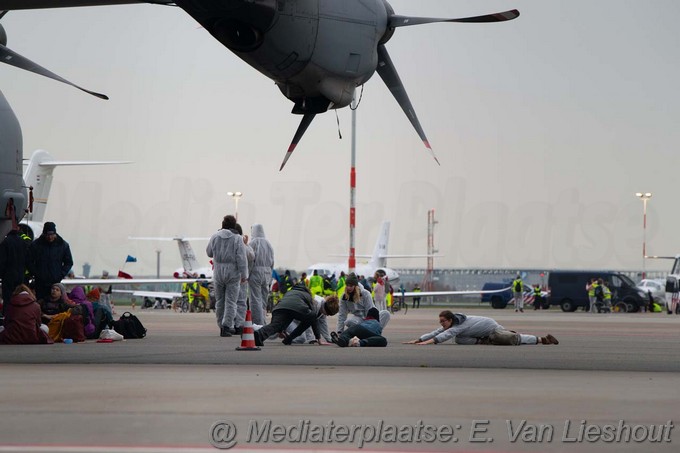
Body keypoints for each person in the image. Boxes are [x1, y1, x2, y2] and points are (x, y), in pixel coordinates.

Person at [403, 310, 559, 346]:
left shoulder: (458, 325)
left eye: (443, 321)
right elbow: (438, 332)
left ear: (450, 320)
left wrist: (427, 343)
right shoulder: (454, 323)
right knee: (460, 340)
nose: (441, 324)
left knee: (510, 339)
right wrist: (418, 339)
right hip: (481, 331)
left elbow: (443, 336)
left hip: (491, 328)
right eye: (440, 322)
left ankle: (542, 339)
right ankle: (482, 341)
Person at [206, 215, 248, 337]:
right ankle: (226, 325)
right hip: (233, 272)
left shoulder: (215, 236)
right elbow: (241, 258)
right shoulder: (237, 238)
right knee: (231, 301)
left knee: (220, 301)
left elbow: (209, 252)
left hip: (218, 271)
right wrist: (244, 274)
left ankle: (220, 325)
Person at [254, 282, 329, 346]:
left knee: (275, 325)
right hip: (294, 310)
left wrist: (280, 330)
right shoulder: (307, 295)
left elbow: (286, 314)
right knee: (311, 317)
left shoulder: (289, 292)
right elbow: (313, 317)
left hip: (278, 309)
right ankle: (289, 339)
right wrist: (318, 338)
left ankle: (260, 334)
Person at [27, 222, 73, 302]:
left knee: (54, 304)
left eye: (52, 234)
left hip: (55, 282)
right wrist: (36, 273)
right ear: (44, 234)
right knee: (40, 303)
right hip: (40, 282)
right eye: (48, 235)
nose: (50, 237)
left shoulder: (63, 245)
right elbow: (28, 261)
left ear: (55, 233)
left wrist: (60, 275)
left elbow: (69, 262)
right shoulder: (36, 245)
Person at [248, 224, 274, 326]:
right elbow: (272, 261)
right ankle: (263, 320)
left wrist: (247, 274)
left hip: (255, 273)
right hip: (267, 274)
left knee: (255, 299)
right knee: (263, 300)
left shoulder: (253, 243)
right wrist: (270, 276)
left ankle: (257, 323)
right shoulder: (268, 244)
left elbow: (250, 260)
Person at [0, 227, 29, 318]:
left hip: (8, 276)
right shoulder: (23, 242)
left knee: (8, 299)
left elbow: (2, 261)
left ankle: (7, 317)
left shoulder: (5, 242)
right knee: (18, 296)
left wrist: (1, 275)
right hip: (20, 276)